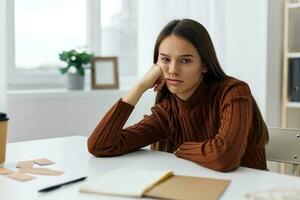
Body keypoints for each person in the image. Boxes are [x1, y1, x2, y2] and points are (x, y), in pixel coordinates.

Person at [87, 19, 269, 172]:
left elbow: (224, 157)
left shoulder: (233, 91)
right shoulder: (168, 112)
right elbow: (100, 145)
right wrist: (140, 86)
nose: (173, 70)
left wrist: (181, 148)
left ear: (204, 64)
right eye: (165, 59)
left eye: (185, 60)